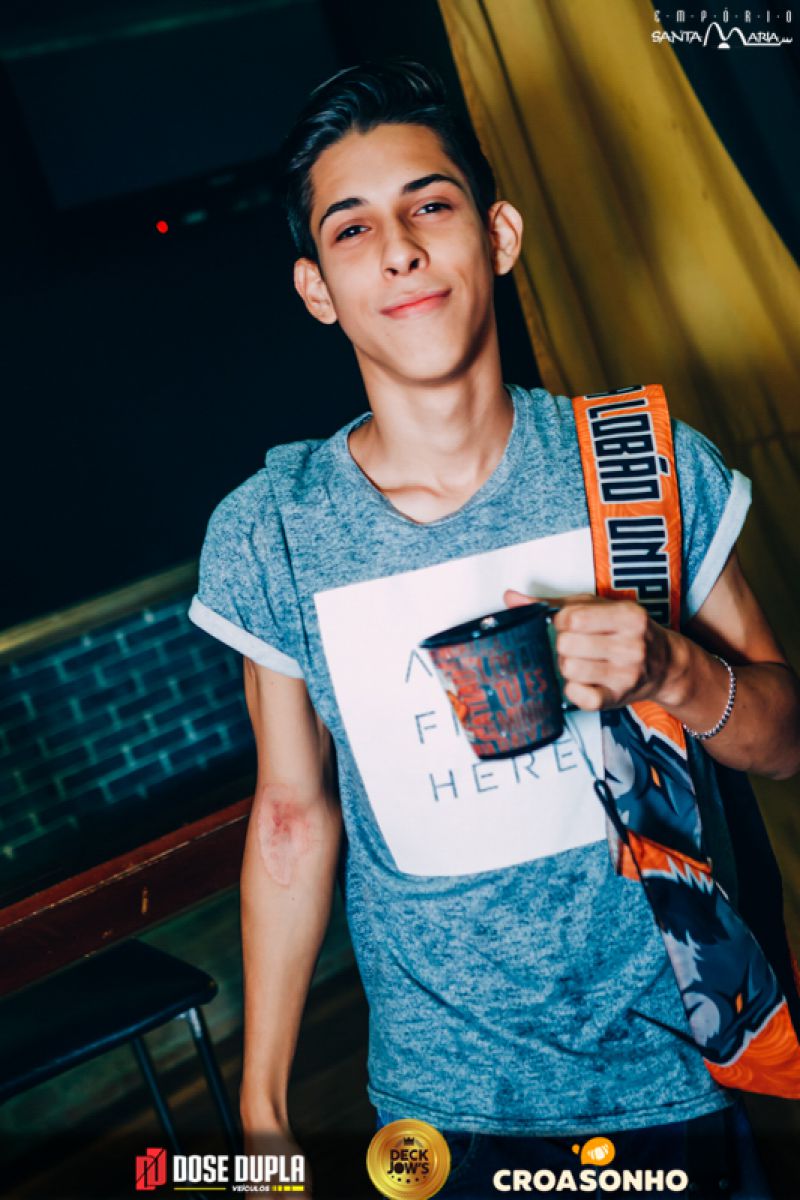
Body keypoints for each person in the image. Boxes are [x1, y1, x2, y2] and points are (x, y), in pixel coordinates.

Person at [187, 59, 800, 1199]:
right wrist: (262, 1110)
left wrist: (674, 668)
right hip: (442, 1113)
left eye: (430, 205)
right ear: (317, 288)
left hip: (679, 1079)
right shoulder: (273, 528)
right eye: (352, 228)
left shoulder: (640, 463)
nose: (399, 250)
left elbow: (784, 737)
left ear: (499, 235)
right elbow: (289, 817)